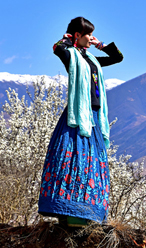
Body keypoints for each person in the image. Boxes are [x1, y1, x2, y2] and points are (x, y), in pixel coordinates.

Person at [38, 16, 123, 227]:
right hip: (77, 115)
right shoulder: (71, 56)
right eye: (89, 35)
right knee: (72, 159)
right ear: (77, 35)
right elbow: (57, 48)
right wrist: (67, 39)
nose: (92, 38)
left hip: (94, 117)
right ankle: (68, 211)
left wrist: (101, 45)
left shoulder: (91, 59)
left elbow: (118, 57)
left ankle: (86, 211)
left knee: (91, 162)